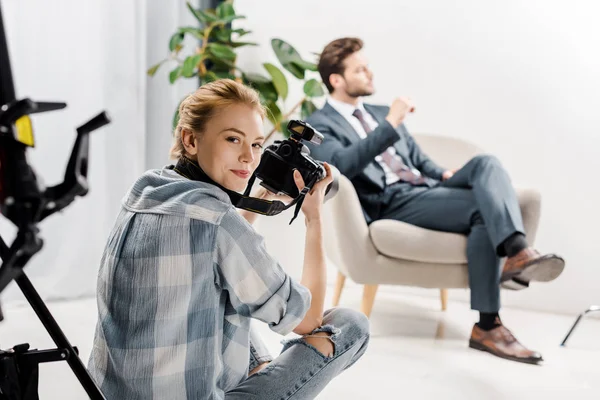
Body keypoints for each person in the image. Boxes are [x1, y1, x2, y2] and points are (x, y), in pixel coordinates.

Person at [88, 79, 370, 399]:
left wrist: (263, 196)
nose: (249, 158)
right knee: (351, 324)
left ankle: (260, 373)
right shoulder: (219, 222)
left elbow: (213, 243)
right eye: (233, 139)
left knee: (228, 293)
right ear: (190, 140)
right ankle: (263, 379)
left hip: (110, 395)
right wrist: (313, 218)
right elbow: (308, 319)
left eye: (256, 144)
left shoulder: (145, 190)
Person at [305, 37, 565, 365]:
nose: (370, 74)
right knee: (482, 213)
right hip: (390, 200)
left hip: (424, 187)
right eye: (360, 69)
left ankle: (516, 253)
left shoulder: (379, 111)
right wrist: (390, 125)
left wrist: (441, 174)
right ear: (336, 80)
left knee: (486, 164)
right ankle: (491, 321)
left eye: (368, 66)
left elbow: (415, 158)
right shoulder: (320, 123)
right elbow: (343, 165)